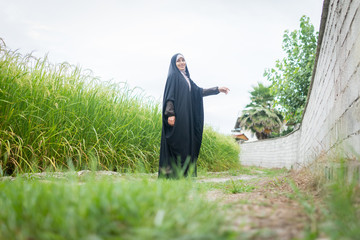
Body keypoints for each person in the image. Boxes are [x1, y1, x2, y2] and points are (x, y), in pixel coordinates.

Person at [158, 53, 229, 178]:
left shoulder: (186, 79)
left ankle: (184, 175)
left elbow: (199, 91)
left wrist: (217, 89)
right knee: (178, 144)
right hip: (177, 117)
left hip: (187, 119)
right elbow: (170, 96)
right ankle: (173, 175)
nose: (181, 63)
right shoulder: (173, 76)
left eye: (183, 60)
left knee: (186, 145)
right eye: (178, 61)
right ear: (174, 64)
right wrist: (170, 114)